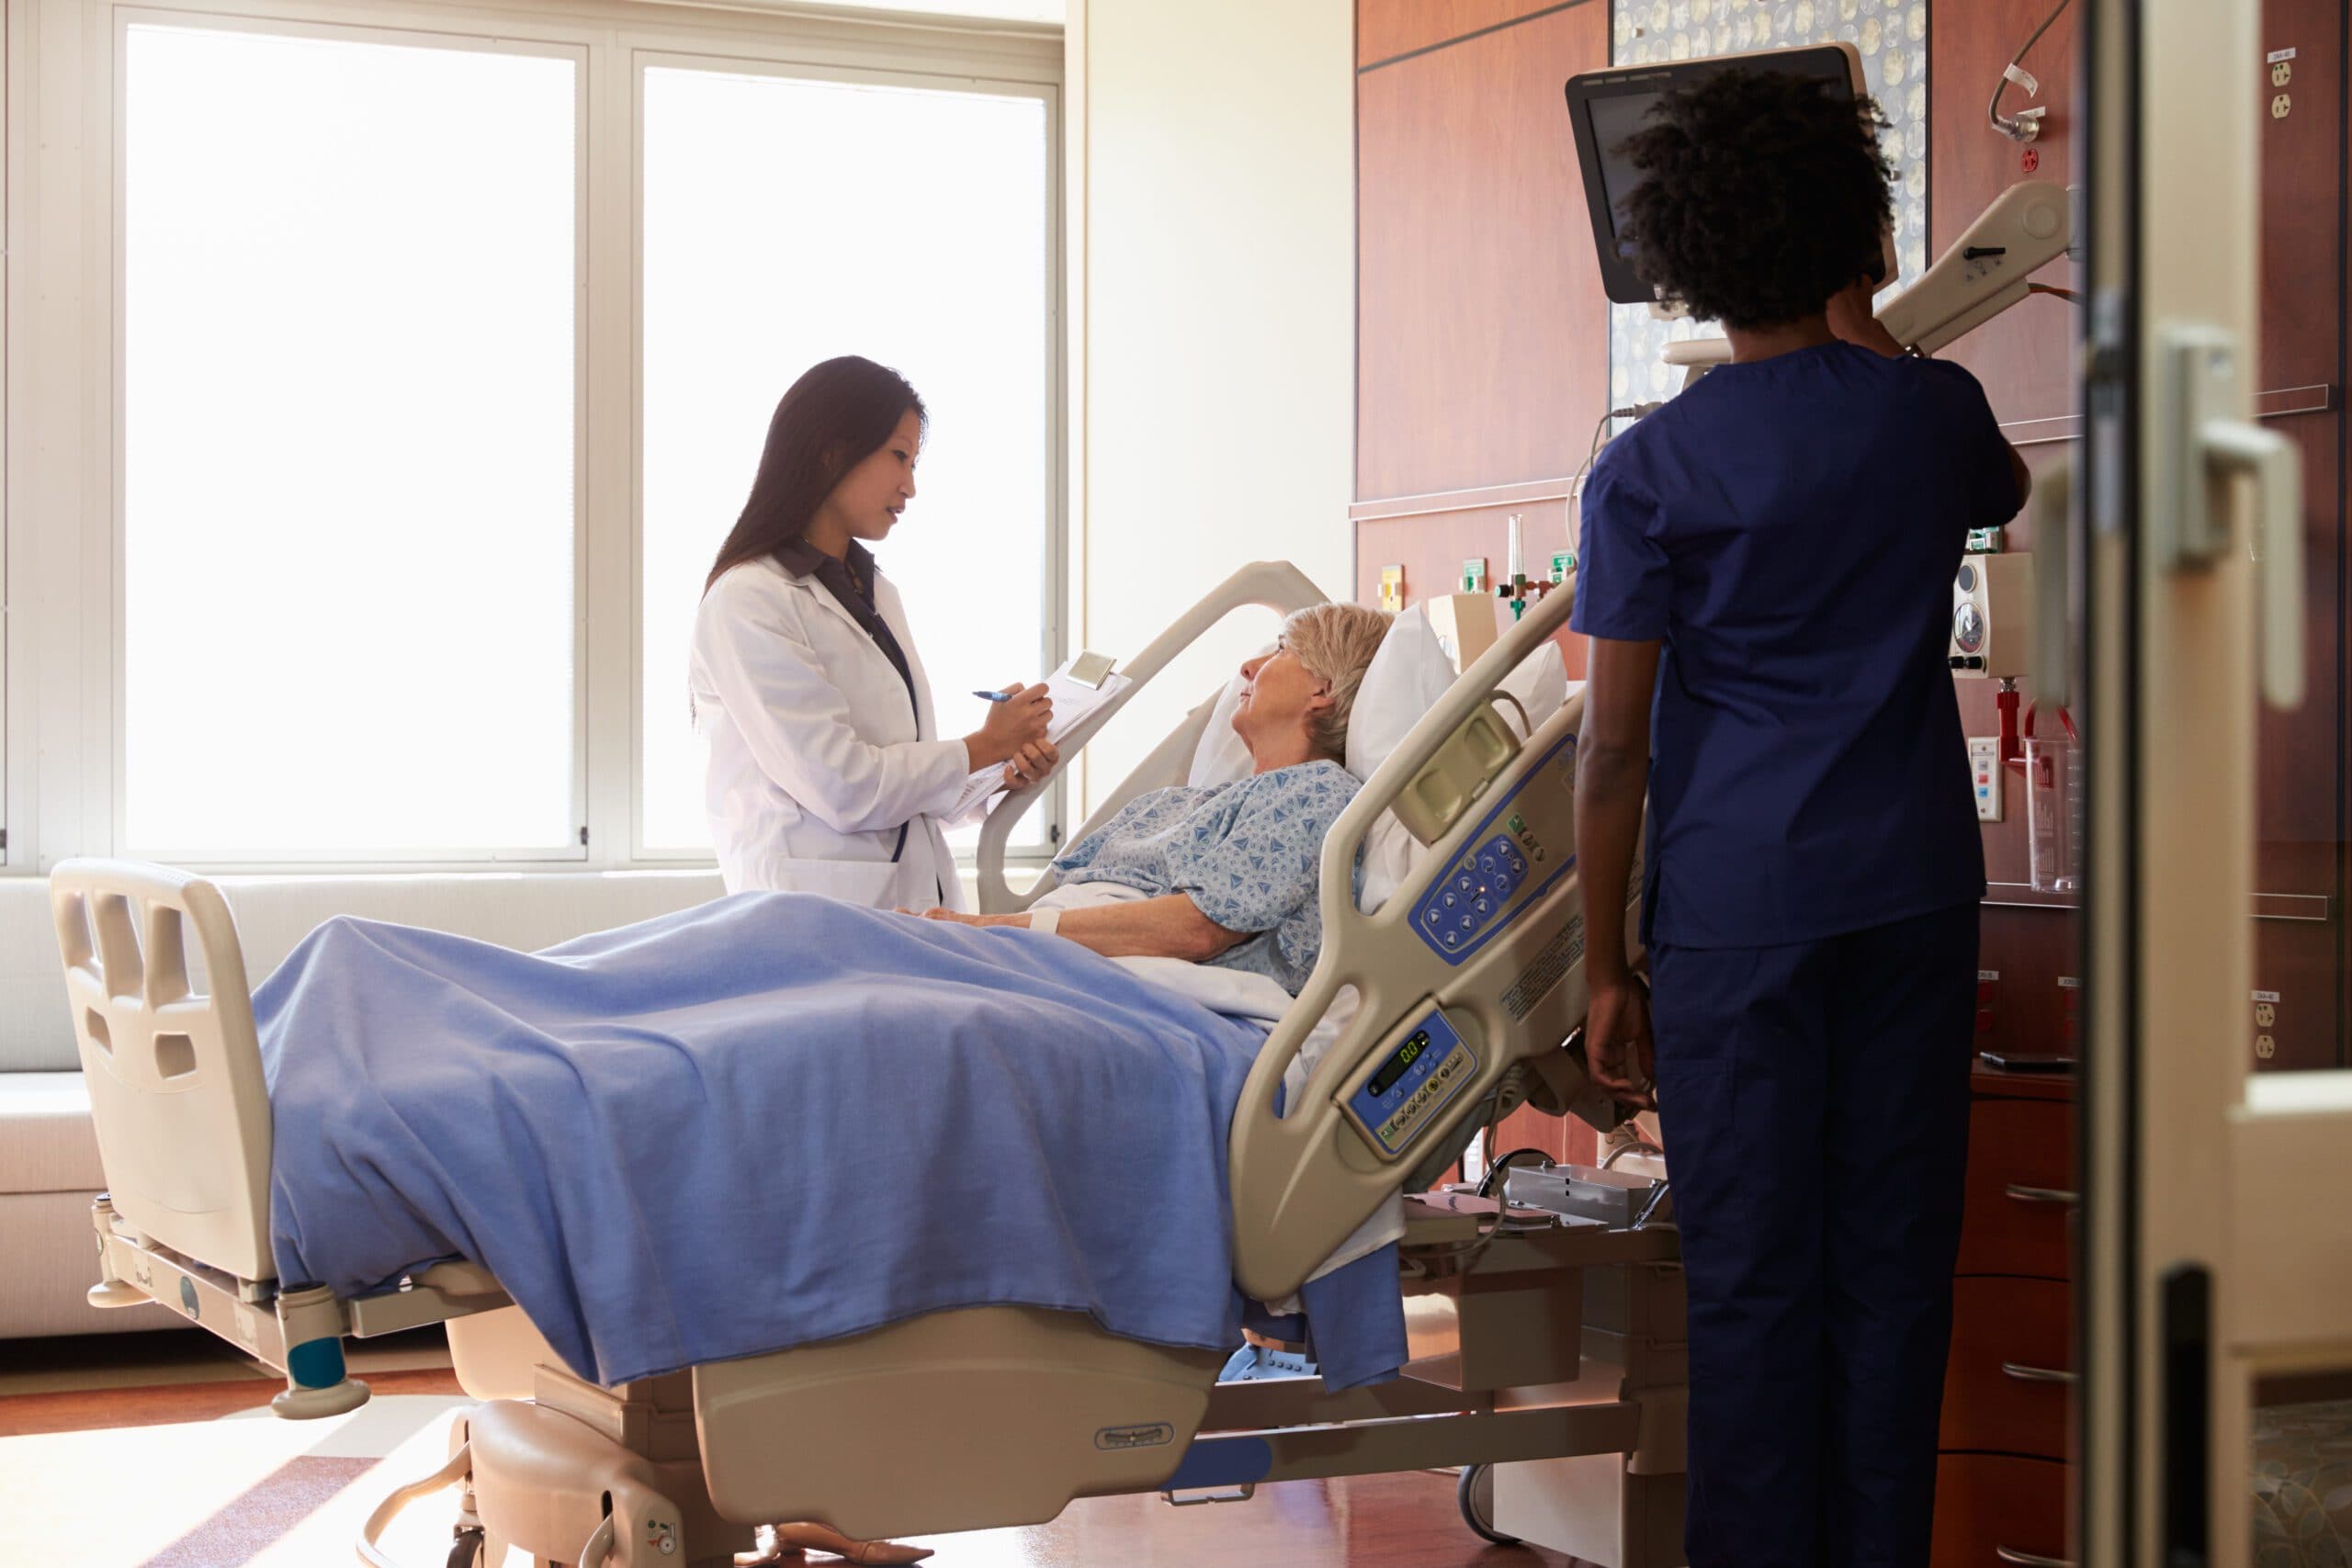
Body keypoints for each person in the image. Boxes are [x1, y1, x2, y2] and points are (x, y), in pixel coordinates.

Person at [1566, 72, 2032, 1568]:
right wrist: (1867, 312)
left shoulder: (1647, 470)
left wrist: (1604, 963)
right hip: (1907, 896)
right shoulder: (1929, 413)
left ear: (1682, 260)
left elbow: (1614, 751)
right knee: (1893, 1278)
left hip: (1734, 921)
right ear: (1853, 236)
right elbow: (2003, 482)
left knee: (1755, 1290)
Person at [691, 355, 1056, 910]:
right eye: (899, 456)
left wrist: (997, 771)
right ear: (833, 450)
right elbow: (843, 787)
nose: (910, 486)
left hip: (910, 911)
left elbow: (900, 783)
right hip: (810, 919)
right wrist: (982, 745)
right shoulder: (749, 600)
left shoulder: (875, 591)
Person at [919, 602, 1393, 992]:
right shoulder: (1182, 803)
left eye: (1281, 651)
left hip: (1118, 989)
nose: (1249, 667)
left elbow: (1196, 930)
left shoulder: (1316, 794)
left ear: (1324, 688)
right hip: (1047, 961)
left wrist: (985, 932)